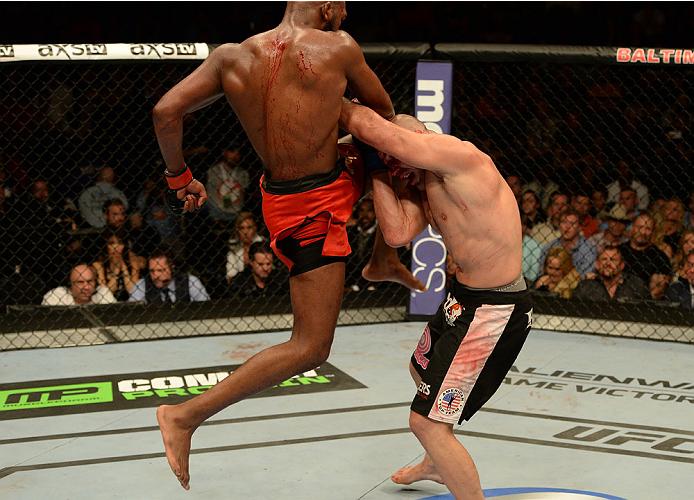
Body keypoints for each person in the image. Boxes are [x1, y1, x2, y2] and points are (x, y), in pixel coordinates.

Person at [151, 2, 422, 490]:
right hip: (309, 211)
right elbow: (384, 117)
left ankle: (384, 258)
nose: (345, 15)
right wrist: (345, 112)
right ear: (327, 7)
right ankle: (185, 416)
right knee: (311, 347)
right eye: (342, 7)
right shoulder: (339, 47)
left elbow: (165, 111)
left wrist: (179, 177)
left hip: (295, 192)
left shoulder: (232, 57)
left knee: (393, 139)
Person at [339, 102, 533, 500]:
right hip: (464, 299)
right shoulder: (422, 182)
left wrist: (330, 94)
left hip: (494, 309)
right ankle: (435, 463)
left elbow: (375, 129)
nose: (396, 168)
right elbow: (396, 233)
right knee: (420, 369)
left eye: (395, 157)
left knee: (425, 422)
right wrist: (377, 168)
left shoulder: (456, 155)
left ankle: (447, 463)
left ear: (416, 139)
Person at [128, 249, 210, 303]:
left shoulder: (190, 282)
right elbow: (133, 313)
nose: (155, 275)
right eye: (152, 271)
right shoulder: (142, 285)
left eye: (160, 270)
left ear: (172, 268)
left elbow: (206, 307)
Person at [573, 246, 649, 301]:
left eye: (613, 260)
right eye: (604, 259)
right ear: (597, 265)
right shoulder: (585, 287)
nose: (608, 263)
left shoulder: (636, 285)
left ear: (622, 265)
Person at [538, 208, 599, 279]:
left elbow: (583, 279)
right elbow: (541, 275)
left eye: (572, 223)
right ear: (558, 225)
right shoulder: (548, 247)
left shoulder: (589, 250)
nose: (567, 227)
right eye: (564, 222)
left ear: (580, 227)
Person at [92, 228, 144, 302]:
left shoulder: (133, 264)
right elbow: (105, 295)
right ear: (106, 246)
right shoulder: (99, 266)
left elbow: (133, 292)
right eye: (111, 243)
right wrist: (116, 271)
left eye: (120, 243)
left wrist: (123, 268)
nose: (116, 247)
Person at [618, 213, 671, 286]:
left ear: (653, 232)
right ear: (632, 227)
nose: (643, 232)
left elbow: (656, 292)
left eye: (648, 229)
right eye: (640, 227)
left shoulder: (660, 258)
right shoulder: (618, 251)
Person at [204, 148, 251, 223]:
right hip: (214, 210)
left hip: (236, 211)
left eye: (238, 153)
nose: (235, 155)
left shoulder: (243, 173)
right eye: (232, 151)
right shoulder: (212, 170)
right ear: (224, 152)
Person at [41, 263, 116, 306]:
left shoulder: (103, 293)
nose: (86, 287)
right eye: (80, 282)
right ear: (70, 283)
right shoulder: (55, 296)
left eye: (89, 281)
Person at [225, 211, 265, 282]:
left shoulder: (263, 243)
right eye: (242, 228)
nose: (245, 232)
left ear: (255, 228)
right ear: (237, 230)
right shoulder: (233, 245)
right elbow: (231, 271)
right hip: (240, 283)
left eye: (249, 227)